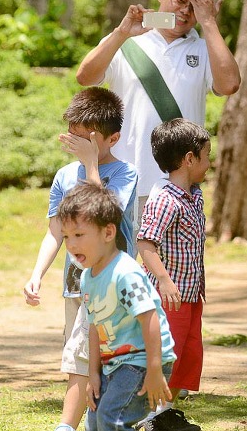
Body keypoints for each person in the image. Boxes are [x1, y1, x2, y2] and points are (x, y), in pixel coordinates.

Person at [76, 0, 240, 223]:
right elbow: (85, 77)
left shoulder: (205, 49)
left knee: (173, 266)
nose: (185, 11)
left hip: (178, 188)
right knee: (118, 264)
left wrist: (209, 23)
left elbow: (230, 84)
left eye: (195, 6)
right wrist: (121, 33)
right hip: (123, 181)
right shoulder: (127, 40)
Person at [22, 88, 138, 431]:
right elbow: (55, 232)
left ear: (113, 138)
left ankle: (67, 426)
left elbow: (104, 213)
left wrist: (90, 163)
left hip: (110, 282)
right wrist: (37, 273)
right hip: (75, 284)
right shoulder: (63, 176)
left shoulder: (125, 173)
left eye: (86, 139)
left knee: (86, 357)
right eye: (72, 136)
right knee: (83, 356)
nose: (76, 145)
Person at [56, 182, 194, 431]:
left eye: (78, 235)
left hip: (143, 359)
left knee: (112, 417)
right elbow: (95, 327)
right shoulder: (87, 277)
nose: (71, 245)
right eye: (66, 236)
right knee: (95, 421)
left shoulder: (125, 273)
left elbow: (150, 318)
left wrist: (154, 369)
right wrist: (93, 373)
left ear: (108, 233)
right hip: (115, 363)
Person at [137, 119, 211, 420]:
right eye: (206, 156)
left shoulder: (194, 195)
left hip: (191, 294)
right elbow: (146, 243)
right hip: (169, 296)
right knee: (167, 353)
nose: (210, 163)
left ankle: (165, 410)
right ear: (189, 159)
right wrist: (165, 281)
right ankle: (150, 414)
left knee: (187, 353)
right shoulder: (165, 199)